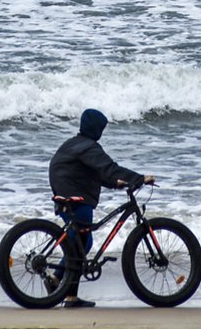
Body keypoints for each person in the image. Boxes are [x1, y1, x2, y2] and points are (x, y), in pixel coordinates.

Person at [47, 108, 155, 308]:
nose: (101, 132)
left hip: (64, 193)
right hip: (75, 196)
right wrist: (139, 179)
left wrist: (116, 183)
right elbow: (109, 168)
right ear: (95, 128)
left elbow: (97, 173)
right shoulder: (88, 147)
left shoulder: (74, 144)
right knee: (80, 242)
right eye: (101, 128)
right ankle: (61, 285)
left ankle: (64, 289)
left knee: (82, 242)